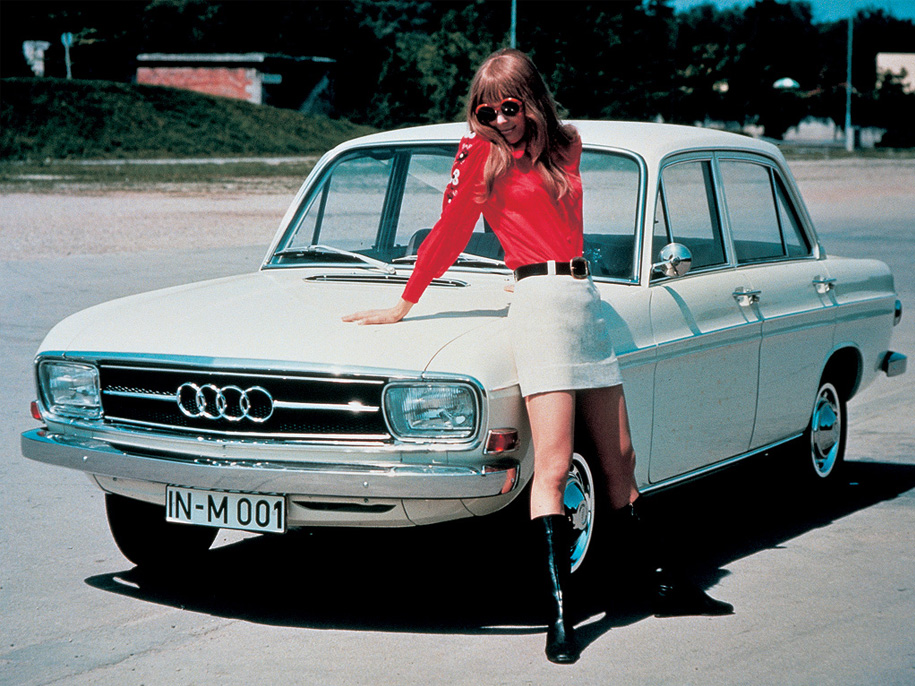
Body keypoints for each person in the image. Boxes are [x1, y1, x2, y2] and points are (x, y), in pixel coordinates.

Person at [344, 48, 731, 665]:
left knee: (621, 457)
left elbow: (561, 214)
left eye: (510, 107)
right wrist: (405, 302)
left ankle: (664, 586)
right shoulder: (479, 157)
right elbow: (449, 233)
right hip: (540, 307)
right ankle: (560, 616)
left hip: (585, 302)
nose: (500, 120)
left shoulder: (566, 145)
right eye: (486, 111)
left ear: (530, 101)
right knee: (552, 465)